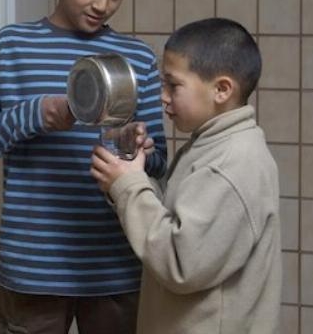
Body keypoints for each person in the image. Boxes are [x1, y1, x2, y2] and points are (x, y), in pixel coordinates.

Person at [0, 0, 167, 333]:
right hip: (33, 267)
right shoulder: (12, 45)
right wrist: (37, 114)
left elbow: (159, 164)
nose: (102, 5)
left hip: (114, 265)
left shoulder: (136, 58)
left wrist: (136, 147)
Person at [90, 17, 281, 333]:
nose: (162, 95)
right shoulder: (212, 144)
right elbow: (176, 220)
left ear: (221, 89)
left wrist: (129, 185)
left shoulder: (231, 164)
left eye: (173, 85)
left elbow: (180, 262)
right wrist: (126, 175)